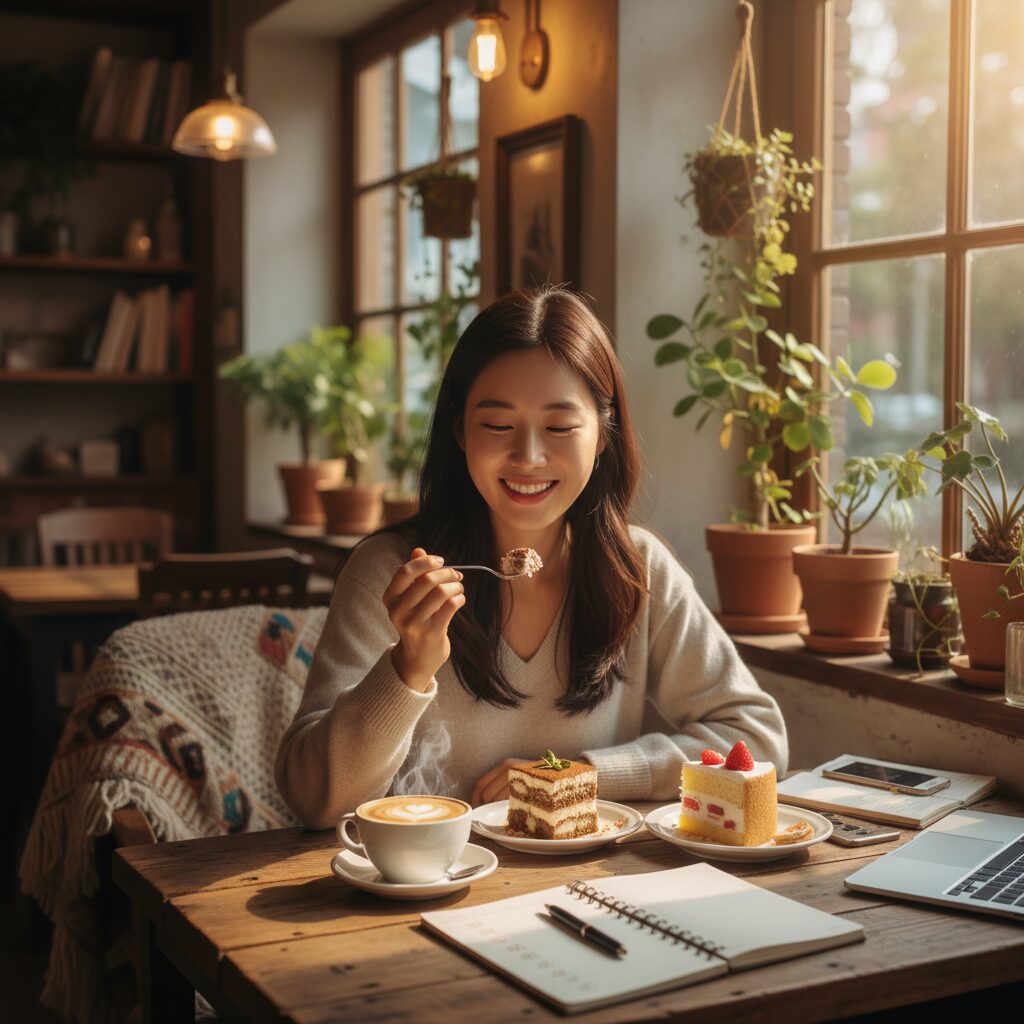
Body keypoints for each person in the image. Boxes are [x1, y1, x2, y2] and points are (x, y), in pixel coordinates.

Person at [276, 286, 787, 829]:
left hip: (581, 888)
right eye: (497, 425)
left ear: (602, 436)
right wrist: (408, 668)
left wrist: (585, 775)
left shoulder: (636, 569)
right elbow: (313, 800)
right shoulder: (392, 572)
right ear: (459, 431)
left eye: (560, 427)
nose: (528, 457)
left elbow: (758, 740)